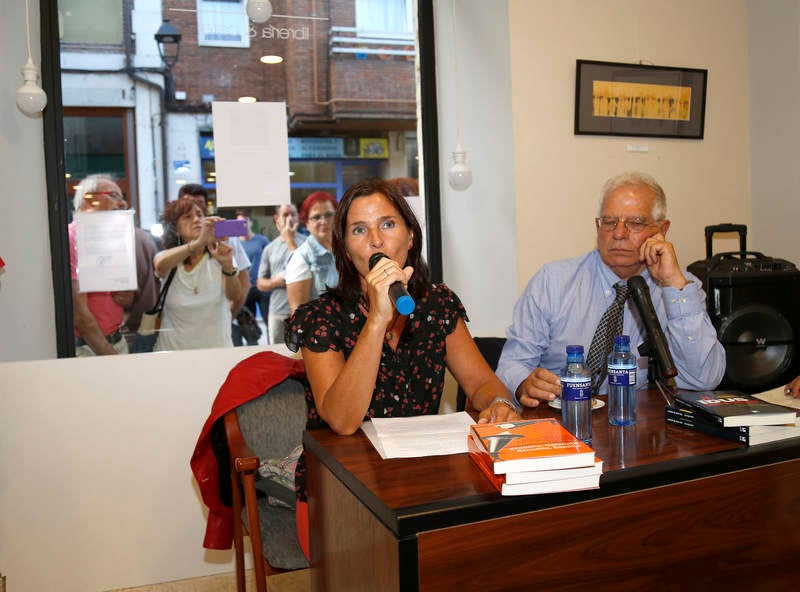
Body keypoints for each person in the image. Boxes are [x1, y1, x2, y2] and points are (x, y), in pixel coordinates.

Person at [285, 177, 521, 559]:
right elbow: (343, 420)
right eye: (359, 230)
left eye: (388, 224)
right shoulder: (319, 318)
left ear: (410, 238)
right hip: (338, 491)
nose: (376, 240)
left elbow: (481, 383)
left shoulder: (438, 303)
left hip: (421, 481)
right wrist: (377, 320)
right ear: (346, 249)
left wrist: (499, 403)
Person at [496, 171, 726, 407]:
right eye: (609, 222)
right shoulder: (553, 282)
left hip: (638, 426)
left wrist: (672, 284)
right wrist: (525, 383)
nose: (618, 234)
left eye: (635, 223)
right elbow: (511, 364)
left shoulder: (680, 289)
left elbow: (703, 380)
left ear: (662, 230)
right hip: (562, 420)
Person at [152, 194, 250, 351]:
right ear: (175, 229)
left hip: (216, 350)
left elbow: (234, 295)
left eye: (200, 215)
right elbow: (159, 265)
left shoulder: (219, 254)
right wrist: (198, 243)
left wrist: (226, 265)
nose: (197, 220)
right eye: (187, 217)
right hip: (173, 353)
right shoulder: (169, 258)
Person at [69, 174, 135, 356]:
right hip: (90, 349)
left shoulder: (111, 240)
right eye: (114, 196)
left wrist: (126, 296)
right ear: (89, 200)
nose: (123, 204)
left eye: (123, 197)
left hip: (116, 341)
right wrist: (109, 356)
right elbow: (79, 313)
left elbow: (125, 299)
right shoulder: (72, 238)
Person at [257, 204, 306, 344]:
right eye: (285, 215)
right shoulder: (270, 248)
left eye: (293, 214)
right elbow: (260, 283)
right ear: (276, 218)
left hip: (302, 311)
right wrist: (275, 282)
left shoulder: (308, 244)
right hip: (277, 311)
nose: (290, 218)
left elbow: (309, 272)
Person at [285, 191, 339, 313]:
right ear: (307, 223)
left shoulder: (348, 249)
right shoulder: (300, 258)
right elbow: (299, 314)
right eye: (316, 217)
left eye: (329, 215)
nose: (323, 221)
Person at [232, 209, 270, 346]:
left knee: (268, 320)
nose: (242, 225)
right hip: (245, 288)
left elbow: (269, 259)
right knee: (247, 323)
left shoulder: (262, 240)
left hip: (261, 287)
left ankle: (272, 346)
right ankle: (252, 348)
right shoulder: (235, 243)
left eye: (244, 222)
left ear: (250, 222)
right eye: (238, 223)